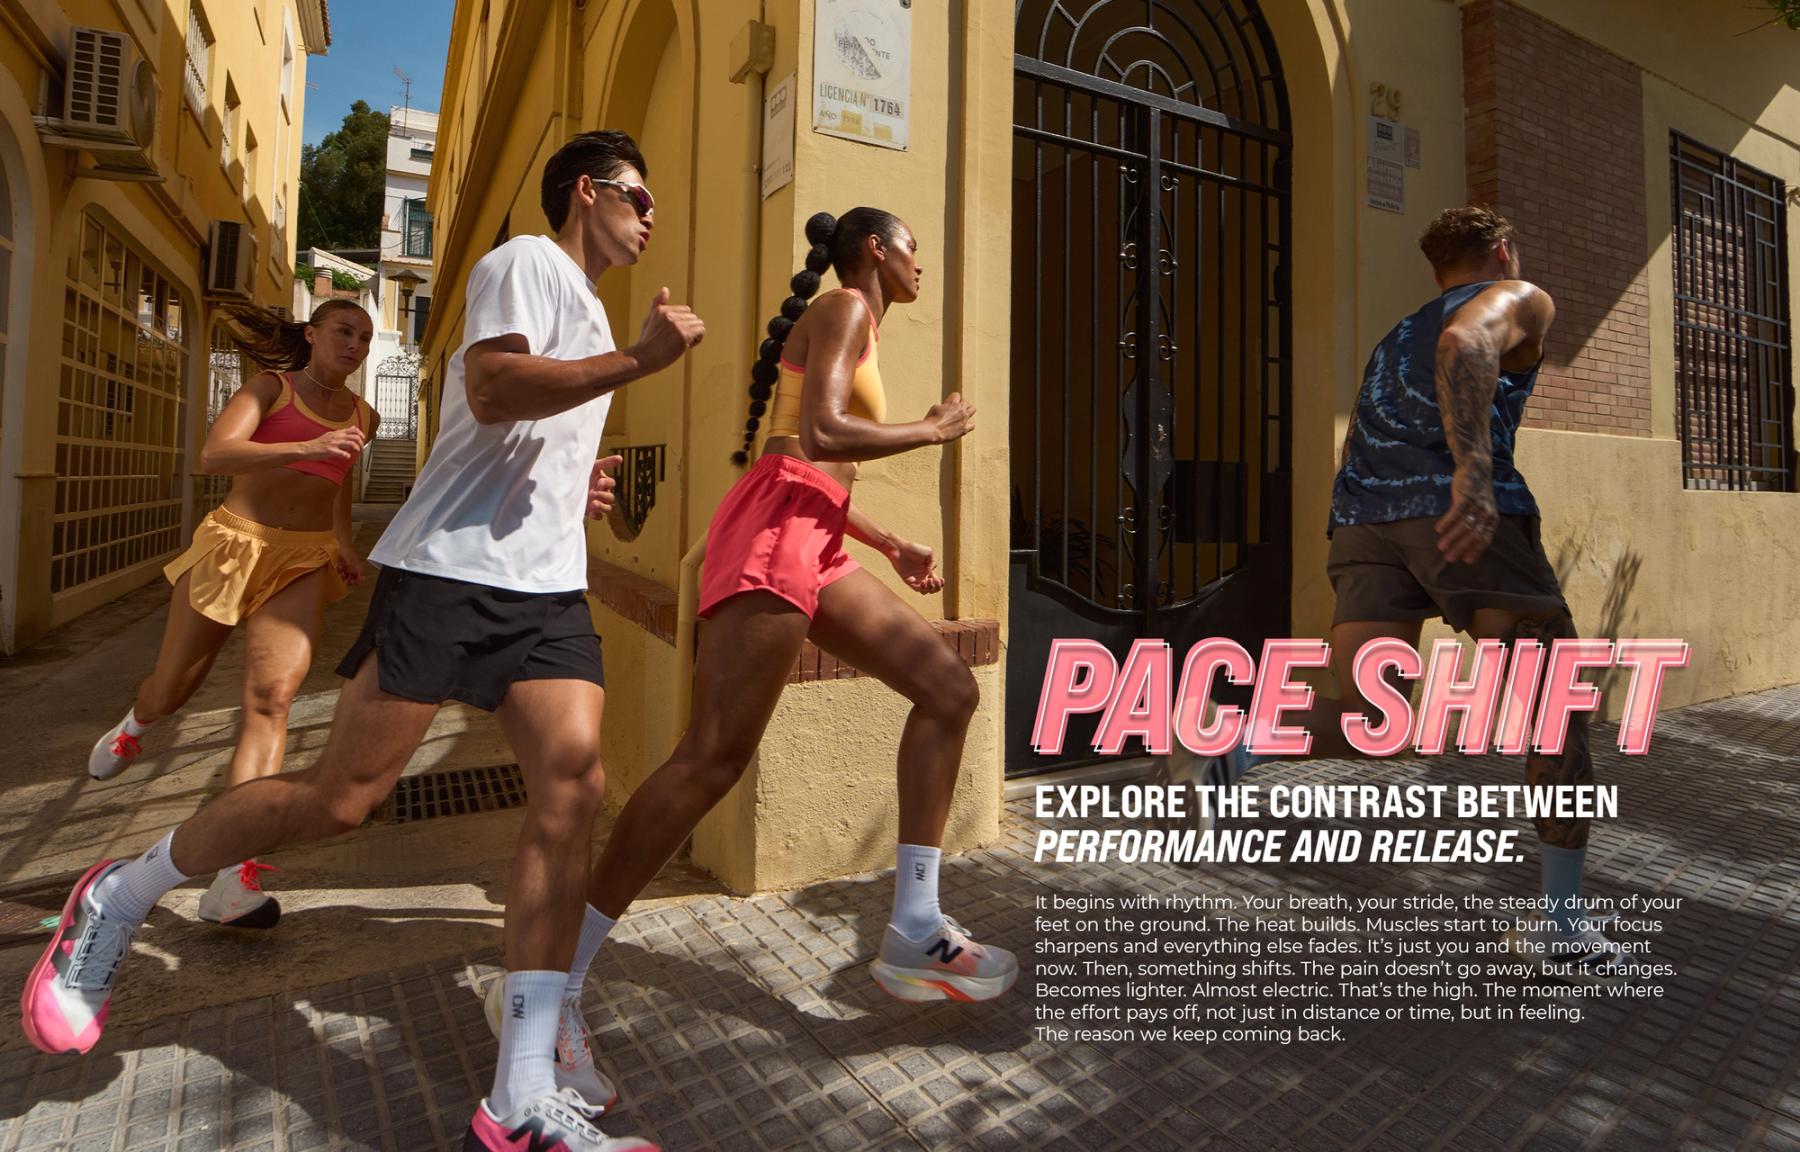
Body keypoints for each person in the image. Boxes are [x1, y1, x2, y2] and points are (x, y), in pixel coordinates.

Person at [23, 130, 698, 1152]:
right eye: (636, 196)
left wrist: (575, 486)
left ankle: (520, 1094)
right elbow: (493, 388)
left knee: (573, 789)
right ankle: (120, 892)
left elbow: (519, 432)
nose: (650, 215)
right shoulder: (526, 261)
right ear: (585, 192)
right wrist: (641, 360)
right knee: (340, 800)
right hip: (451, 573)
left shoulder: (594, 312)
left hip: (546, 587)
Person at [477, 207, 1012, 1063]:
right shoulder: (844, 308)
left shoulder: (854, 320)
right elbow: (824, 434)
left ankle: (915, 927)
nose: (921, 264)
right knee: (712, 759)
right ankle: (549, 980)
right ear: (876, 250)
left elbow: (796, 456)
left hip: (813, 534)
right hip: (776, 537)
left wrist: (886, 541)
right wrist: (931, 429)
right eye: (912, 248)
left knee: (949, 690)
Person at [1181, 205, 1630, 984]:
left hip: (1364, 523)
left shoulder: (1398, 334)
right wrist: (1474, 473)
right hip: (1460, 518)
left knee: (1372, 720)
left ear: (1434, 268)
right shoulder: (1520, 297)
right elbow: (1468, 342)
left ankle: (1237, 740)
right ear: (1503, 250)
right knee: (1556, 711)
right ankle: (1562, 928)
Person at [85, 300, 376, 929]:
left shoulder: (364, 415)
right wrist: (308, 442)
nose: (354, 344)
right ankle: (138, 721)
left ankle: (233, 879)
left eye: (364, 337)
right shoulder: (270, 389)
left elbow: (339, 481)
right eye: (343, 331)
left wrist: (343, 542)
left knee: (274, 700)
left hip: (302, 559)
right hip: (233, 544)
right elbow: (215, 454)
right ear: (312, 334)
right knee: (173, 689)